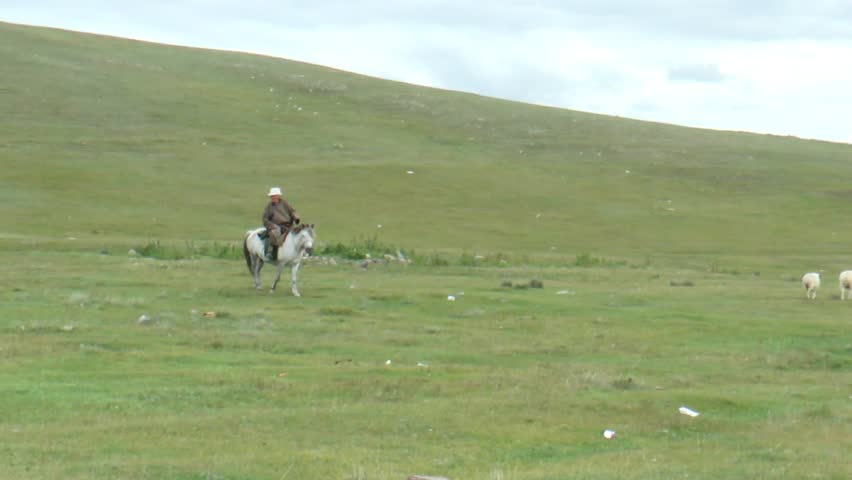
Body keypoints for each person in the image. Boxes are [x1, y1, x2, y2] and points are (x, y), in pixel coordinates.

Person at [262, 186, 300, 259]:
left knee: (300, 233)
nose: (272, 197)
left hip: (288, 225)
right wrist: (273, 226)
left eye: (273, 196)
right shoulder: (269, 207)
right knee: (274, 234)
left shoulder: (285, 203)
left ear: (278, 196)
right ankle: (271, 252)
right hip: (276, 226)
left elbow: (292, 211)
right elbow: (265, 219)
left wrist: (296, 217)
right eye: (271, 196)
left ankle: (299, 252)